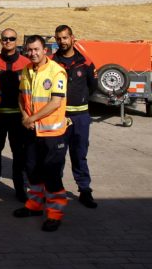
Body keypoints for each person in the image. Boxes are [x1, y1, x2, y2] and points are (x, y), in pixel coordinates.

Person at [14, 35, 70, 232]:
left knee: (52, 175)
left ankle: (54, 214)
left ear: (45, 50)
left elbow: (55, 102)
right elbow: (22, 98)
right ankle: (35, 206)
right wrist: (24, 116)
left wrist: (32, 118)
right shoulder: (27, 70)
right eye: (29, 50)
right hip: (31, 132)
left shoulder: (57, 72)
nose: (33, 53)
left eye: (36, 49)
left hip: (52, 134)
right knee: (32, 171)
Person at [52, 25, 98, 209]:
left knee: (80, 155)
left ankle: (85, 190)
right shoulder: (52, 63)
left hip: (80, 118)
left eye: (65, 37)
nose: (62, 41)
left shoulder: (85, 62)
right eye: (58, 38)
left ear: (72, 38)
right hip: (58, 118)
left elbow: (93, 87)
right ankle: (56, 191)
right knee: (57, 156)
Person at [0, 28, 32, 202]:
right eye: (5, 39)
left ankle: (20, 188)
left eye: (11, 39)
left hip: (18, 116)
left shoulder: (26, 62)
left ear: (16, 40)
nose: (8, 42)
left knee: (19, 155)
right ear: (1, 41)